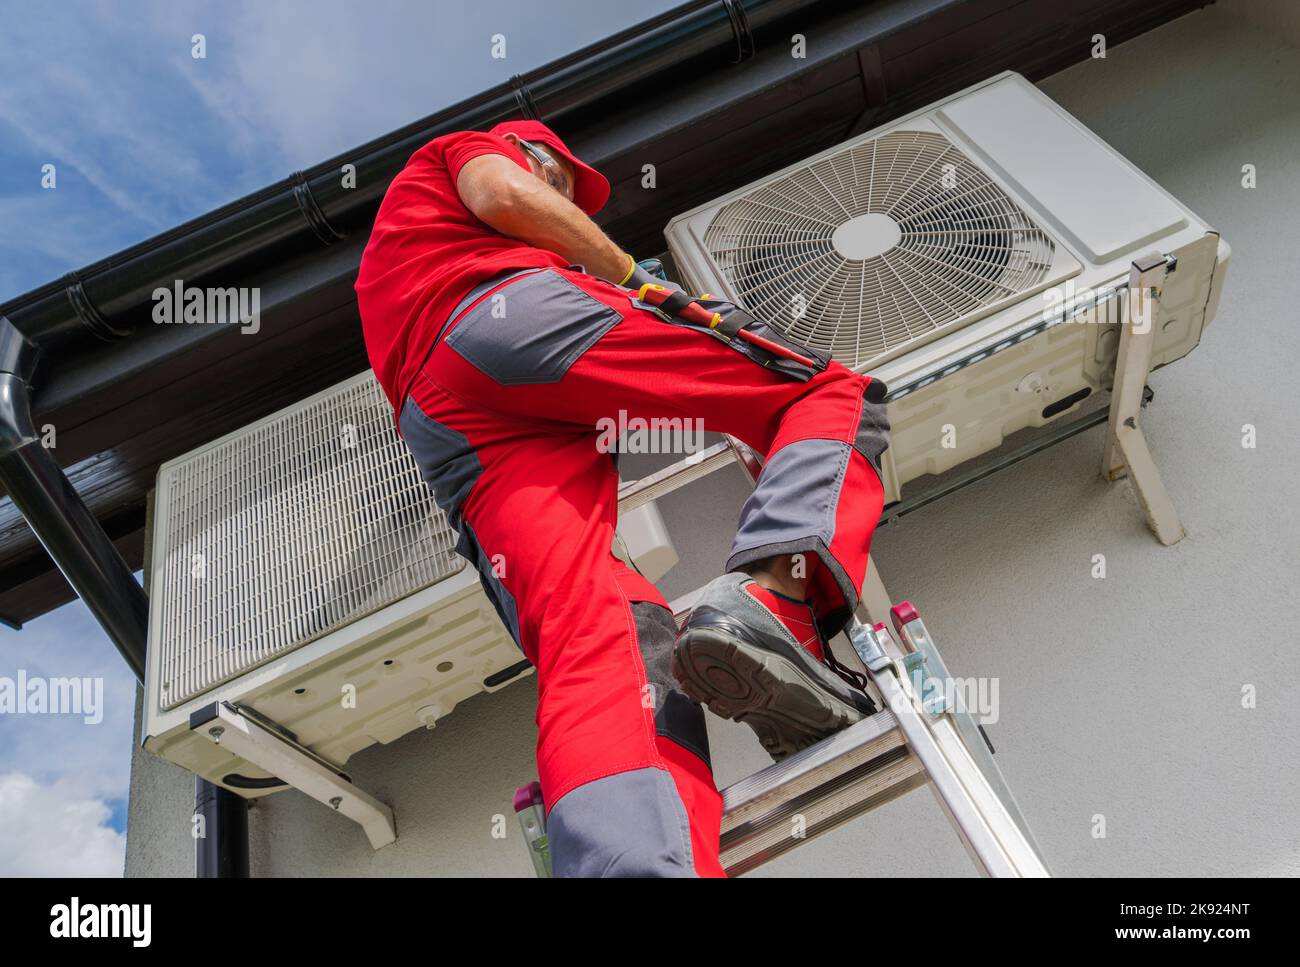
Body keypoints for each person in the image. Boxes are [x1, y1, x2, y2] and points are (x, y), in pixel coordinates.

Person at [355, 119, 889, 877]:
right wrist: (632, 277)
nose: (570, 206)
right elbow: (502, 193)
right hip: (502, 314)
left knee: (602, 625)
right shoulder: (467, 152)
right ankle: (777, 603)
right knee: (827, 391)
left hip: (444, 421)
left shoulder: (396, 256)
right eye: (565, 184)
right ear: (533, 155)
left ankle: (630, 862)